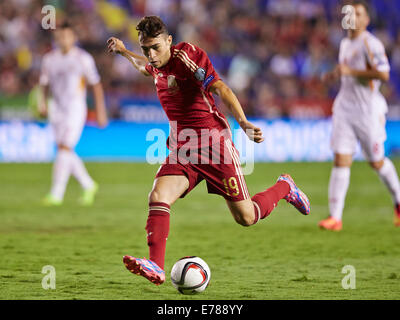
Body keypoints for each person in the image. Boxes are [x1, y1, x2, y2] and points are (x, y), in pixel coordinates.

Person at [107, 16, 310, 285]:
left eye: (156, 47)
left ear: (169, 41)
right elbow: (144, 66)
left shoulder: (188, 57)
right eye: (146, 49)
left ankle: (285, 186)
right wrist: (123, 52)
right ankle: (155, 265)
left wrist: (244, 122)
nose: (151, 55)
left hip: (215, 146)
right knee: (158, 195)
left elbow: (220, 87)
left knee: (246, 217)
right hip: (183, 148)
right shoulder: (155, 64)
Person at [319, 1, 400, 231]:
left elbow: (383, 74)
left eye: (359, 13)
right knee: (340, 159)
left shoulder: (370, 43)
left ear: (367, 20)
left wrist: (350, 72)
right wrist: (335, 74)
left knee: (376, 161)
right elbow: (347, 70)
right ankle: (335, 218)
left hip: (368, 111)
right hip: (345, 108)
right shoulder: (346, 42)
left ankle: (399, 201)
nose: (353, 17)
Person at [38, 22, 108, 206]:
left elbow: (96, 85)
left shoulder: (82, 59)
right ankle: (88, 184)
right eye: (60, 36)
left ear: (73, 38)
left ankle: (56, 194)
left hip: (75, 109)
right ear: (56, 38)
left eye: (67, 36)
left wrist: (100, 111)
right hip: (57, 110)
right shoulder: (49, 59)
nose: (63, 40)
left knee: (64, 149)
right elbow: (44, 85)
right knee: (65, 149)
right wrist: (42, 103)